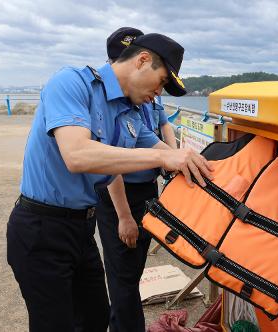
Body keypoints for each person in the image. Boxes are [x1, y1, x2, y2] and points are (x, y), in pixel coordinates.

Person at [6, 31, 213, 332]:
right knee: (54, 324)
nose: (159, 93)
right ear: (143, 60)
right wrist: (161, 160)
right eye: (161, 82)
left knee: (95, 318)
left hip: (82, 228)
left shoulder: (128, 112)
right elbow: (77, 155)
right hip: (42, 228)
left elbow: (163, 151)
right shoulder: (72, 83)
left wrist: (200, 166)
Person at [95, 28, 178, 332]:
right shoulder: (109, 101)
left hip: (145, 189)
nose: (157, 92)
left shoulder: (140, 102)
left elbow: (161, 130)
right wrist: (124, 216)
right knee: (122, 277)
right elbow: (110, 160)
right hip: (119, 193)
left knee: (132, 268)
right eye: (160, 84)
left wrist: (174, 158)